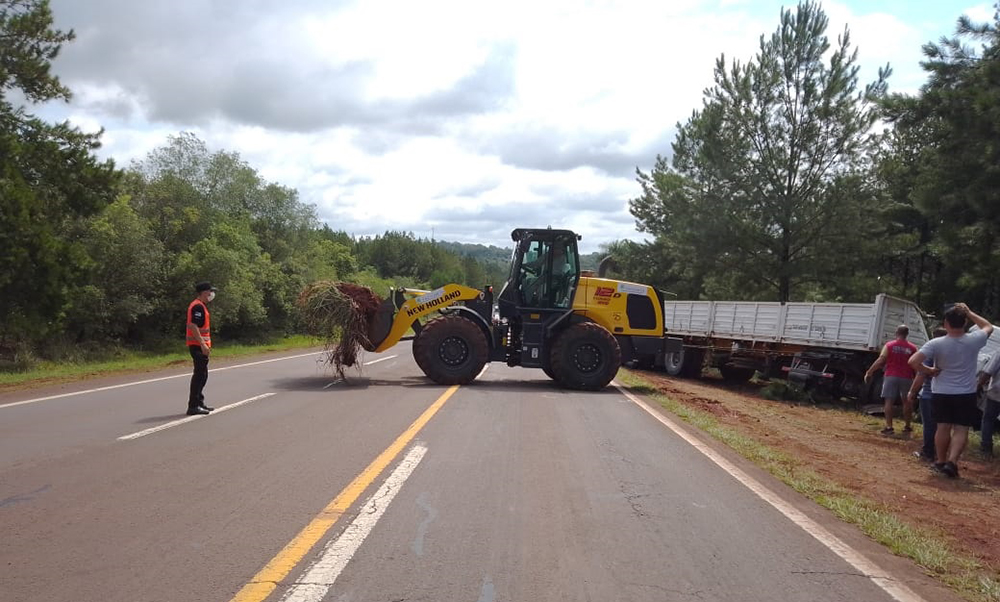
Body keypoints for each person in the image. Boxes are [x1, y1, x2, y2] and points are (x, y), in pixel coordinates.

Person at [908, 303, 994, 478]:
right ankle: (952, 462)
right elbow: (988, 326)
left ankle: (940, 461)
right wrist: (969, 312)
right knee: (961, 429)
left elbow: (913, 361)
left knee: (943, 427)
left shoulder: (936, 343)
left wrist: (929, 371)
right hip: (966, 392)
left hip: (941, 391)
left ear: (946, 323)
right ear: (964, 323)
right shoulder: (974, 340)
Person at [864, 325, 918, 435]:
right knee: (907, 402)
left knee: (889, 401)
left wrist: (870, 371)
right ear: (907, 334)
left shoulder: (889, 345)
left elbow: (881, 360)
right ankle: (907, 426)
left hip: (891, 375)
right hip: (907, 377)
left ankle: (889, 427)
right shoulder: (913, 348)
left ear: (896, 333)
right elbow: (916, 364)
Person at [907, 328, 948, 461]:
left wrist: (912, 392)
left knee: (929, 425)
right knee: (942, 427)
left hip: (929, 394)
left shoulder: (931, 354)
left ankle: (928, 452)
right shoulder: (952, 354)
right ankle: (940, 454)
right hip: (947, 394)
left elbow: (921, 375)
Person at [186, 282, 217, 416]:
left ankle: (199, 402)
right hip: (197, 346)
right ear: (204, 292)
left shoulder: (201, 305)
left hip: (200, 345)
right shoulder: (197, 306)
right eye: (210, 291)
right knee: (199, 375)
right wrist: (203, 344)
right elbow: (193, 326)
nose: (212, 294)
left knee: (203, 375)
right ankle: (193, 406)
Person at [977, 348, 1000, 458]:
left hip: (996, 392)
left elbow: (988, 371)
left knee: (988, 419)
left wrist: (979, 385)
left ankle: (986, 448)